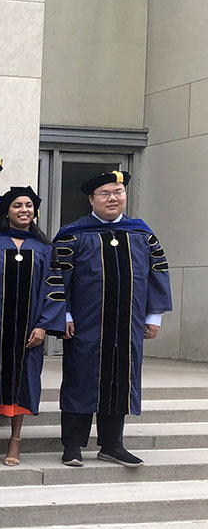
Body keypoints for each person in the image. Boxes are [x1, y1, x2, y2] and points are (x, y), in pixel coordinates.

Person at [54, 171, 172, 467]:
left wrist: (153, 316)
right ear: (91, 199)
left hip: (127, 325)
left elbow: (158, 273)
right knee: (81, 380)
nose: (113, 198)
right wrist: (64, 314)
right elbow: (58, 277)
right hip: (84, 324)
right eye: (105, 193)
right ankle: (72, 445)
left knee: (121, 379)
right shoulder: (73, 234)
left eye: (118, 192)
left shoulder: (142, 233)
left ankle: (112, 444)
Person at [0, 187, 66, 466]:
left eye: (28, 205)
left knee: (25, 381)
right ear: (7, 211)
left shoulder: (44, 247)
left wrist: (43, 326)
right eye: (17, 205)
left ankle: (15, 441)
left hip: (29, 329)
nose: (24, 210)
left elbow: (55, 289)